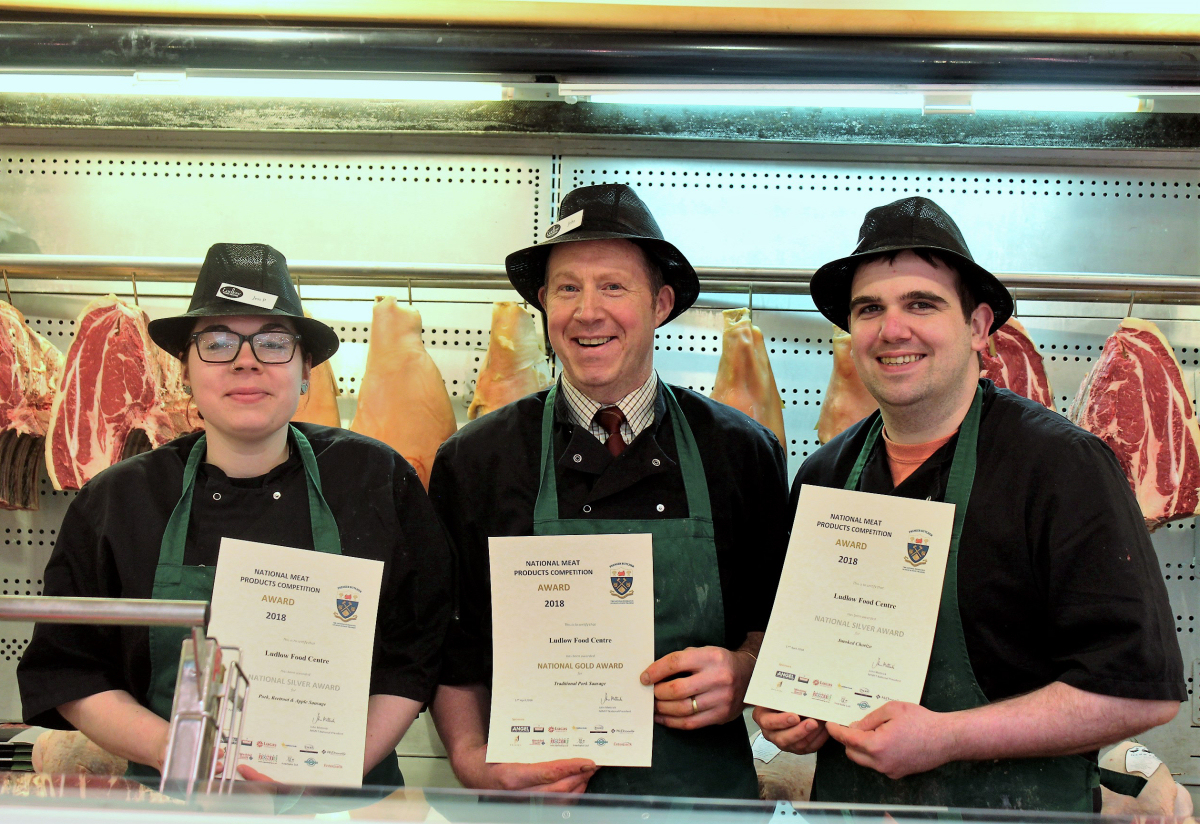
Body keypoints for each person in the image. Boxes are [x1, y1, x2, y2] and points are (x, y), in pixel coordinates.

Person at [752, 197, 1184, 811]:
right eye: (870, 309)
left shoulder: (1061, 466)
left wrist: (946, 738)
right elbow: (807, 661)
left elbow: (1143, 692)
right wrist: (793, 711)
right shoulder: (827, 474)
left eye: (921, 304)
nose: (891, 329)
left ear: (979, 327)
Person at [18, 243, 451, 787]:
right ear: (186, 372)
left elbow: (418, 650)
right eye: (217, 343)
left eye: (273, 343)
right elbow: (69, 668)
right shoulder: (120, 499)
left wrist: (337, 768)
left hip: (342, 801)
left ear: (305, 373)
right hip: (174, 799)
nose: (246, 360)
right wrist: (175, 751)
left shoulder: (373, 479)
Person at [427, 184, 790, 798]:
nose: (587, 311)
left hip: (703, 803)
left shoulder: (741, 451)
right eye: (568, 288)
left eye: (614, 287)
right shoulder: (476, 459)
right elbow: (453, 647)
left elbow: (773, 626)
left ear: (661, 304)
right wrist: (470, 758)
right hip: (538, 801)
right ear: (544, 304)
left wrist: (746, 673)